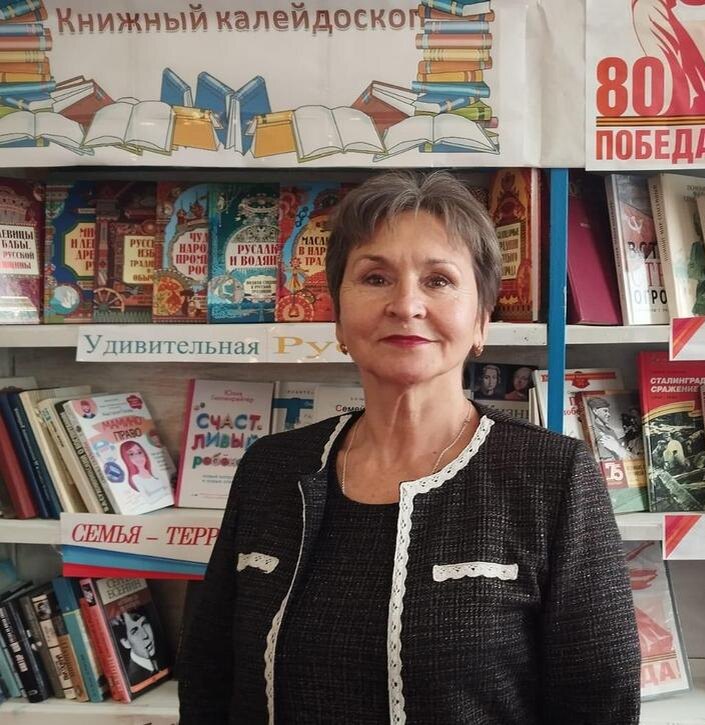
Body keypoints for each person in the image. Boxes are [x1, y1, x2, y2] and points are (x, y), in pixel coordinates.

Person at [177, 171, 641, 725]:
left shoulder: (553, 476)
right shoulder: (271, 469)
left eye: (439, 280)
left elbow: (600, 704)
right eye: (375, 278)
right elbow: (209, 682)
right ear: (338, 318)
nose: (406, 304)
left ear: (481, 321)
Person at [114, 608, 160, 686]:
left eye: (144, 624)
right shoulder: (132, 681)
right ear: (125, 643)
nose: (145, 635)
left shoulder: (164, 656)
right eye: (134, 631)